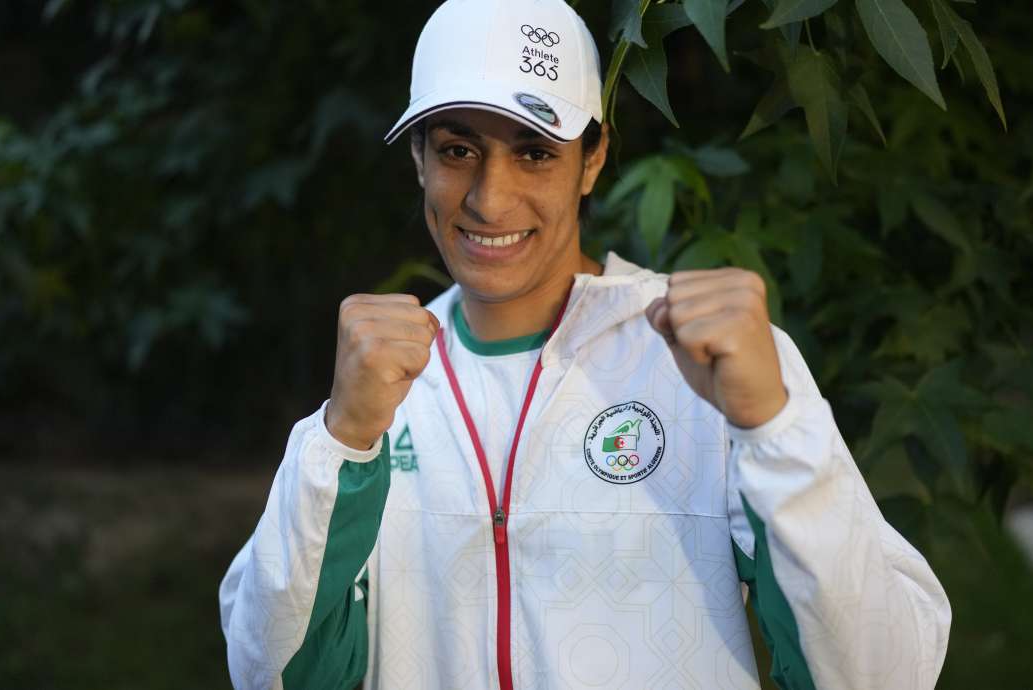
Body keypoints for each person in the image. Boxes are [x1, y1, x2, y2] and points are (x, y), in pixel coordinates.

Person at [218, 0, 952, 687]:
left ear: (593, 159)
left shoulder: (711, 364)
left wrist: (774, 424)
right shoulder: (378, 389)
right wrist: (339, 440)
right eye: (457, 149)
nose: (489, 199)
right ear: (418, 158)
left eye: (535, 151)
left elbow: (880, 671)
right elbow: (270, 671)